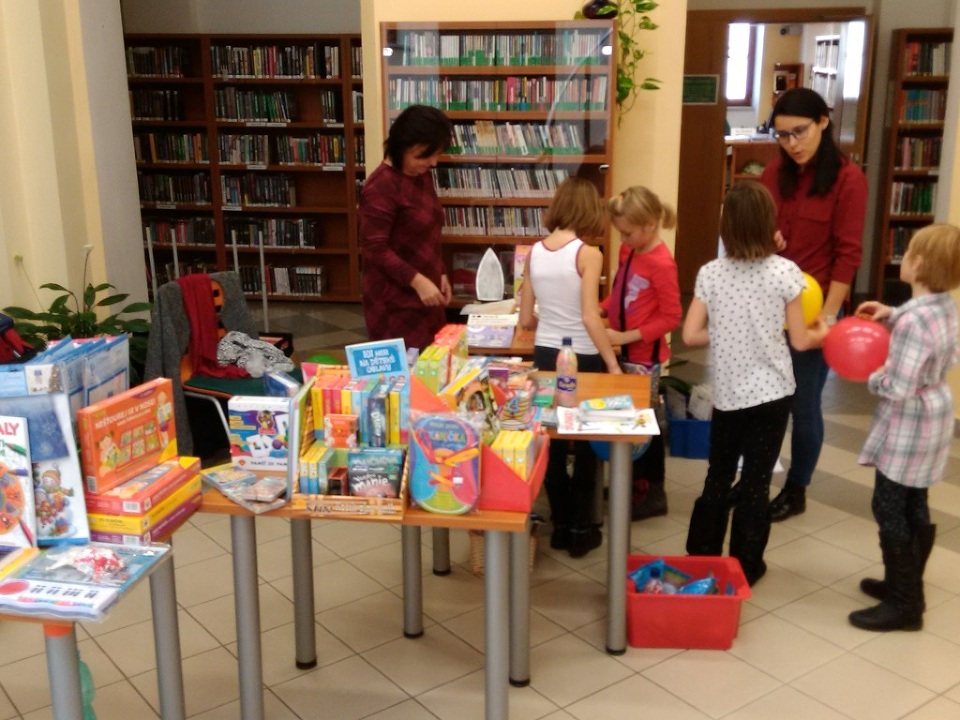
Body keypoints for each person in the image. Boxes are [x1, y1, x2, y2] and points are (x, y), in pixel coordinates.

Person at [683, 181, 828, 585]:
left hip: (729, 396)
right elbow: (800, 340)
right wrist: (825, 332)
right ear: (770, 224)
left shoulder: (711, 273)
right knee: (756, 482)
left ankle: (703, 557)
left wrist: (727, 330)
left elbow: (691, 334)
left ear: (725, 226)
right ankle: (746, 566)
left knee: (718, 475)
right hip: (773, 395)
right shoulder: (785, 272)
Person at [759, 87, 867, 522]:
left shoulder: (848, 180)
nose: (792, 144)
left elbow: (848, 255)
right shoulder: (773, 173)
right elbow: (755, 231)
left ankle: (796, 488)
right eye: (783, 136)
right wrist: (765, 238)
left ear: (823, 121)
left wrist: (828, 317)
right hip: (768, 305)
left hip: (813, 311)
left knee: (803, 405)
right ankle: (754, 480)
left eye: (799, 132)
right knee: (764, 401)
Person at [848, 224, 960, 631]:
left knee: (888, 503)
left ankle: (905, 603)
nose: (904, 256)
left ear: (921, 264)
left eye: (910, 251)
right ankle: (904, 583)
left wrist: (872, 376)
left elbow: (897, 386)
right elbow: (933, 338)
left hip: (910, 421)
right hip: (934, 412)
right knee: (915, 499)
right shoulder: (944, 307)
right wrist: (891, 314)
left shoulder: (914, 323)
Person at [519, 177, 621, 558]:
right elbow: (590, 317)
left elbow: (526, 319)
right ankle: (582, 527)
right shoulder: (588, 254)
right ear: (589, 210)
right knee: (589, 440)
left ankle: (560, 524)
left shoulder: (534, 252)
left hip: (547, 354)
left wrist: (549, 318)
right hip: (584, 357)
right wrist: (612, 363)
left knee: (553, 440)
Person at [601, 187, 682, 520]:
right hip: (623, 351)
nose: (623, 239)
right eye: (621, 233)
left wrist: (625, 335)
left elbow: (671, 316)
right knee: (627, 419)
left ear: (650, 225)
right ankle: (632, 481)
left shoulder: (661, 263)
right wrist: (601, 309)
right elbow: (621, 291)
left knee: (645, 424)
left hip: (644, 358)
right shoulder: (630, 249)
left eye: (628, 232)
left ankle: (654, 491)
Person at [358, 104, 453, 352]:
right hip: (394, 299)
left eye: (436, 154)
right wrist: (418, 281)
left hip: (425, 291)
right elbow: (374, 247)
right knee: (406, 366)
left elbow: (428, 233)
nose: (433, 163)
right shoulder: (380, 186)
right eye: (423, 155)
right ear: (401, 146)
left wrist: (440, 272)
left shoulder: (420, 175)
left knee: (432, 362)